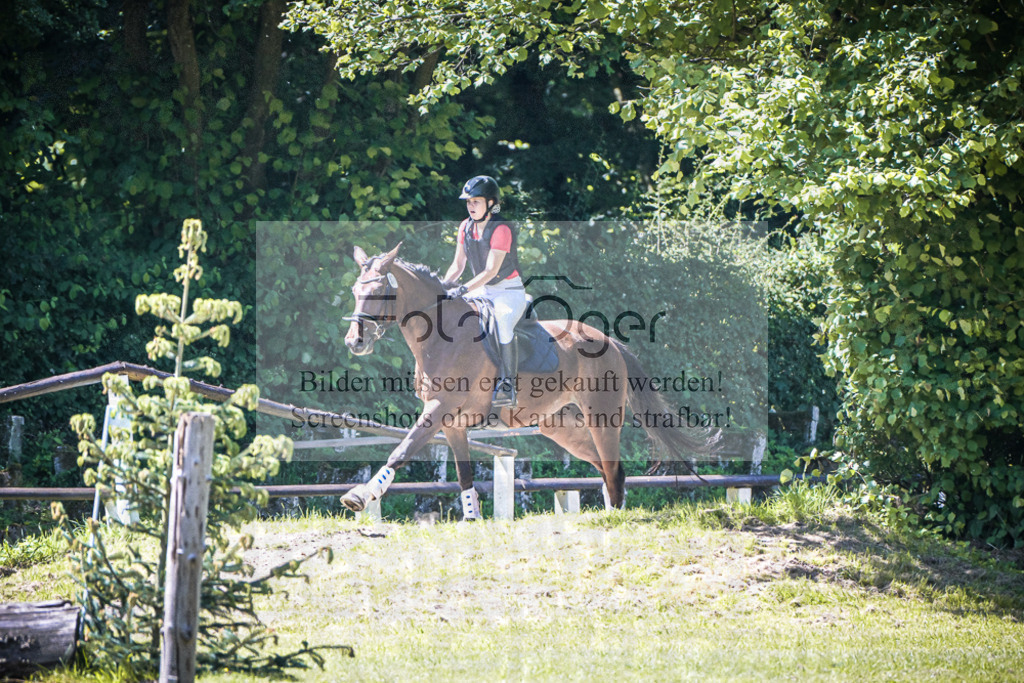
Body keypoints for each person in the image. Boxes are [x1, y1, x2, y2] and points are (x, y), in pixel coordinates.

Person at [443, 175, 527, 408]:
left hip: (507, 291)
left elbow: (491, 271)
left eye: (476, 202)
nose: (471, 207)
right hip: (481, 289)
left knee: (502, 321)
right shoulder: (465, 227)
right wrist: (443, 287)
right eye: (468, 202)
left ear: (491, 203)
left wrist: (462, 288)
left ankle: (508, 384)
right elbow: (458, 265)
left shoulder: (501, 229)